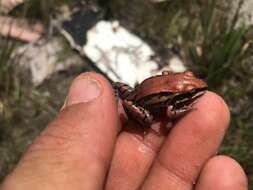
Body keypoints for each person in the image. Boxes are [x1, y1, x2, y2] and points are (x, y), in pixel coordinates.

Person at [0, 72, 248, 190]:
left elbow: (164, 77)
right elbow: (170, 113)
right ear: (183, 92)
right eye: (190, 92)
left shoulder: (175, 82)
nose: (195, 94)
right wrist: (187, 108)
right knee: (151, 119)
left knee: (121, 88)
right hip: (144, 105)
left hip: (140, 89)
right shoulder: (175, 101)